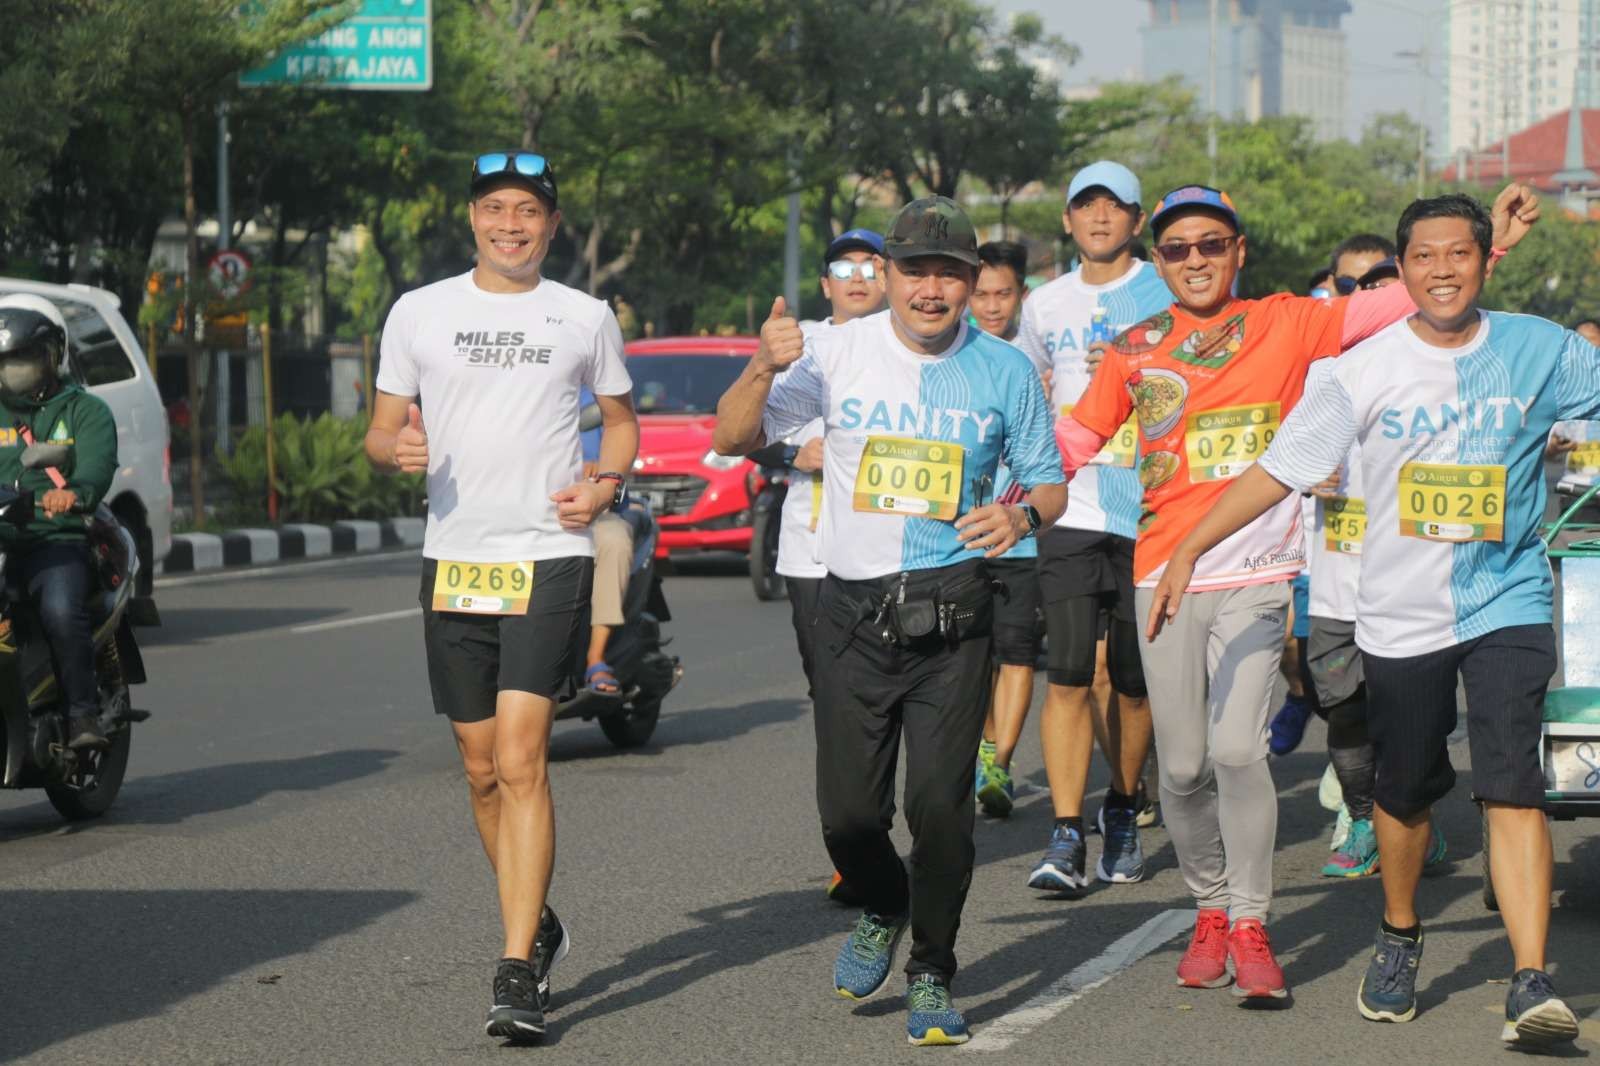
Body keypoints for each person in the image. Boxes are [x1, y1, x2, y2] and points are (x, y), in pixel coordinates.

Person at [1056, 180, 1540, 1001]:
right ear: (1159, 260)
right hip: (1163, 575)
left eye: (1213, 244)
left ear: (1238, 252)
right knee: (1178, 770)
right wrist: (1007, 496)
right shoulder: (1133, 347)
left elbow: (1407, 296)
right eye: (1176, 248)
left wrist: (1488, 240)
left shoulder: (1288, 321)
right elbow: (1076, 436)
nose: (1195, 260)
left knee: (1240, 750)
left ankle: (1249, 921)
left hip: (1261, 572)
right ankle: (1208, 906)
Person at [712, 196, 1066, 1046]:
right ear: (889, 275)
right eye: (915, 270)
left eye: (950, 272)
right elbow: (732, 434)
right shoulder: (834, 350)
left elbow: (1049, 480)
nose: (932, 289)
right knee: (850, 819)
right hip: (851, 613)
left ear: (973, 280)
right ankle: (885, 902)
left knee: (941, 809)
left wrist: (1023, 519)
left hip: (952, 613)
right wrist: (763, 366)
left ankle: (934, 972)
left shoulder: (1005, 369)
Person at [364, 150, 638, 1042]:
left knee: (522, 759)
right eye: (496, 209)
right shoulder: (420, 311)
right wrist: (394, 450)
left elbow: (622, 423)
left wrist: (602, 488)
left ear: (552, 225)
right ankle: (540, 918)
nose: (511, 224)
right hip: (455, 561)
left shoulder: (584, 315)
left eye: (528, 211)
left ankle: (516, 967)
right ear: (472, 218)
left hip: (546, 558)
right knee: (479, 768)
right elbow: (379, 431)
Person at [1014, 161, 1171, 890]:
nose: (1100, 217)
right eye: (1086, 206)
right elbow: (1025, 386)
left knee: (1133, 683)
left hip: (1151, 507)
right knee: (1071, 672)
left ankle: (1124, 804)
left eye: (1115, 207)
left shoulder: (1167, 288)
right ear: (1069, 221)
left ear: (1137, 221)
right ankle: (1065, 834)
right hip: (1073, 507)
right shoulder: (1045, 304)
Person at [784, 227, 887, 905]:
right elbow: (743, 432)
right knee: (833, 699)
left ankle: (876, 832)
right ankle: (851, 846)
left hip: (892, 546)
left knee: (886, 699)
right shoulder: (804, 346)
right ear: (826, 284)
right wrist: (792, 456)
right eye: (843, 267)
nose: (856, 277)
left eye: (870, 266)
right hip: (811, 546)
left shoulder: (912, 346)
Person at [0, 294, 118, 752]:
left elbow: (96, 467)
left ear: (51, 356)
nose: (14, 369)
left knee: (58, 610)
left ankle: (81, 715)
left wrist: (74, 492)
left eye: (24, 358)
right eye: (6, 360)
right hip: (4, 538)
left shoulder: (85, 411)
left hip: (55, 540)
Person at [969, 239, 1040, 818]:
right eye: (982, 294)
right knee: (978, 655)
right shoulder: (951, 356)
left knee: (1017, 651)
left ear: (1022, 295)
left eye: (1004, 294)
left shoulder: (1037, 359)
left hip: (1025, 532)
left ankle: (1000, 763)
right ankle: (986, 742)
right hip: (963, 534)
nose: (992, 306)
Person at [580, 384, 634, 696]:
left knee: (613, 539)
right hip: (523, 514)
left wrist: (603, 471)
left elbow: (624, 438)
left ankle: (595, 656)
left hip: (595, 510)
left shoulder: (596, 397)